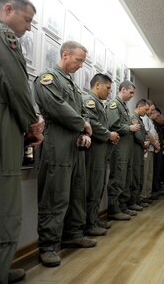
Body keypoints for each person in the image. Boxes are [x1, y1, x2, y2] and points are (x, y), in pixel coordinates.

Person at [35, 41, 95, 267]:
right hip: (57, 142)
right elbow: (56, 106)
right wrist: (82, 124)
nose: (81, 65)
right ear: (65, 54)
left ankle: (73, 233)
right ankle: (48, 245)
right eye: (79, 60)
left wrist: (85, 129)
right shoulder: (47, 79)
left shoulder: (73, 85)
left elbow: (81, 111)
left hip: (75, 143)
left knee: (77, 190)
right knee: (55, 194)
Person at [0, 0, 44, 282]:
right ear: (7, 10)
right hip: (5, 126)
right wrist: (33, 122)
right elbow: (15, 84)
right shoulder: (5, 39)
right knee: (8, 205)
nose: (28, 28)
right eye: (27, 20)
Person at [83, 73, 119, 235]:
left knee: (98, 186)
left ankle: (94, 218)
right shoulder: (89, 101)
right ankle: (89, 223)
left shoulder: (99, 103)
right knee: (92, 186)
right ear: (97, 85)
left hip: (101, 150)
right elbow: (92, 123)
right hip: (94, 151)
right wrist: (108, 134)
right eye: (108, 88)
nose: (109, 92)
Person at [106, 80, 140, 220]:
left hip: (126, 148)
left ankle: (122, 206)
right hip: (118, 148)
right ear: (123, 89)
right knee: (118, 178)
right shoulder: (114, 104)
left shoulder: (124, 107)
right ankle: (114, 209)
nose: (132, 96)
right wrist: (129, 128)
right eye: (131, 92)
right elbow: (112, 125)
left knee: (125, 177)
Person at [129, 99, 149, 210]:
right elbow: (137, 135)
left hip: (140, 149)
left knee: (140, 174)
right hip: (136, 149)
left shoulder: (140, 119)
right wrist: (144, 143)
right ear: (139, 106)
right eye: (145, 109)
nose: (146, 112)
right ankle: (133, 202)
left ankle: (137, 200)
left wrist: (146, 142)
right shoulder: (134, 117)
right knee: (135, 175)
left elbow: (144, 133)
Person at [140, 101, 160, 204]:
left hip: (151, 149)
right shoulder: (144, 118)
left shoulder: (149, 120)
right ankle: (143, 196)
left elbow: (153, 133)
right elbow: (147, 133)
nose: (152, 112)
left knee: (149, 174)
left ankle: (147, 194)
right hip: (147, 149)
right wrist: (155, 143)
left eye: (152, 110)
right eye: (151, 110)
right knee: (145, 173)